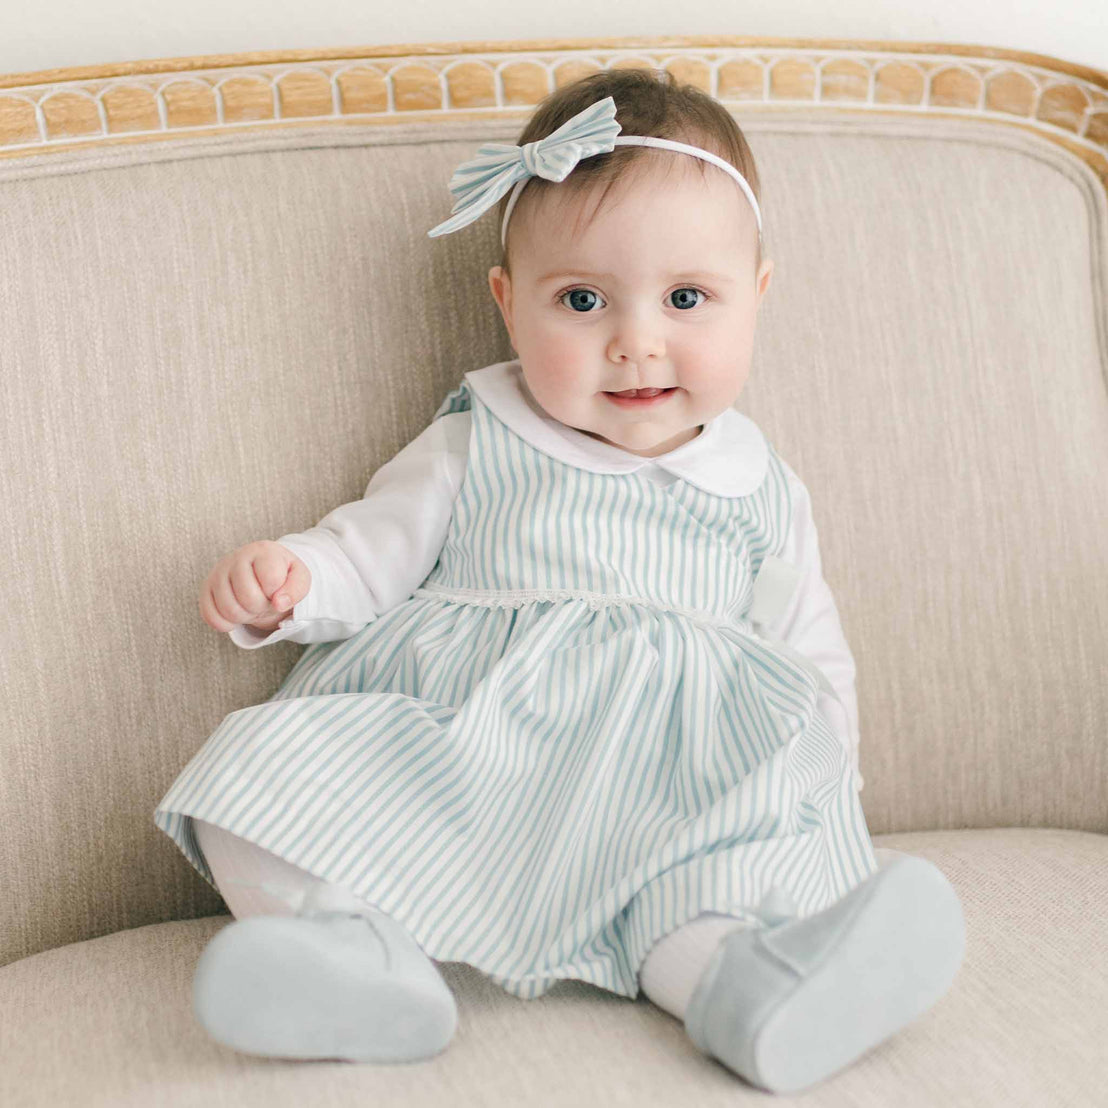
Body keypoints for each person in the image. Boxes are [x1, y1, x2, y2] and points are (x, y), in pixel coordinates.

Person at [153, 68, 965, 1094]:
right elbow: (370, 551)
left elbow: (808, 643)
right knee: (255, 776)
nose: (635, 339)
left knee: (707, 871)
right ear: (507, 302)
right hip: (478, 757)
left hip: (674, 781)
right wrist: (291, 578)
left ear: (755, 294)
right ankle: (356, 956)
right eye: (581, 299)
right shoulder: (476, 435)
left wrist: (827, 780)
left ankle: (744, 984)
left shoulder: (762, 483)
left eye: (686, 298)